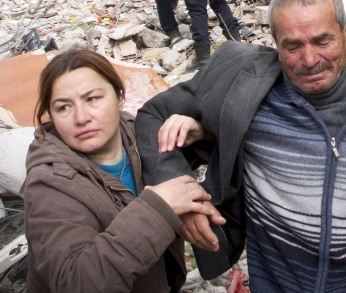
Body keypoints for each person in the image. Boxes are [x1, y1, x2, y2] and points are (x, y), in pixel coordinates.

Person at [136, 0, 346, 292]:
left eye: (322, 41)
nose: (309, 60)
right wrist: (179, 197)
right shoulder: (241, 78)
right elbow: (153, 115)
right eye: (292, 46)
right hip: (285, 282)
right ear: (275, 43)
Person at [24, 48, 216, 293]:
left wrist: (200, 134)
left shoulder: (140, 136)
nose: (81, 118)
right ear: (49, 115)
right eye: (63, 108)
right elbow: (76, 283)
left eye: (92, 99)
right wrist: (157, 208)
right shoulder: (49, 185)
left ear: (119, 97)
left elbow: (209, 154)